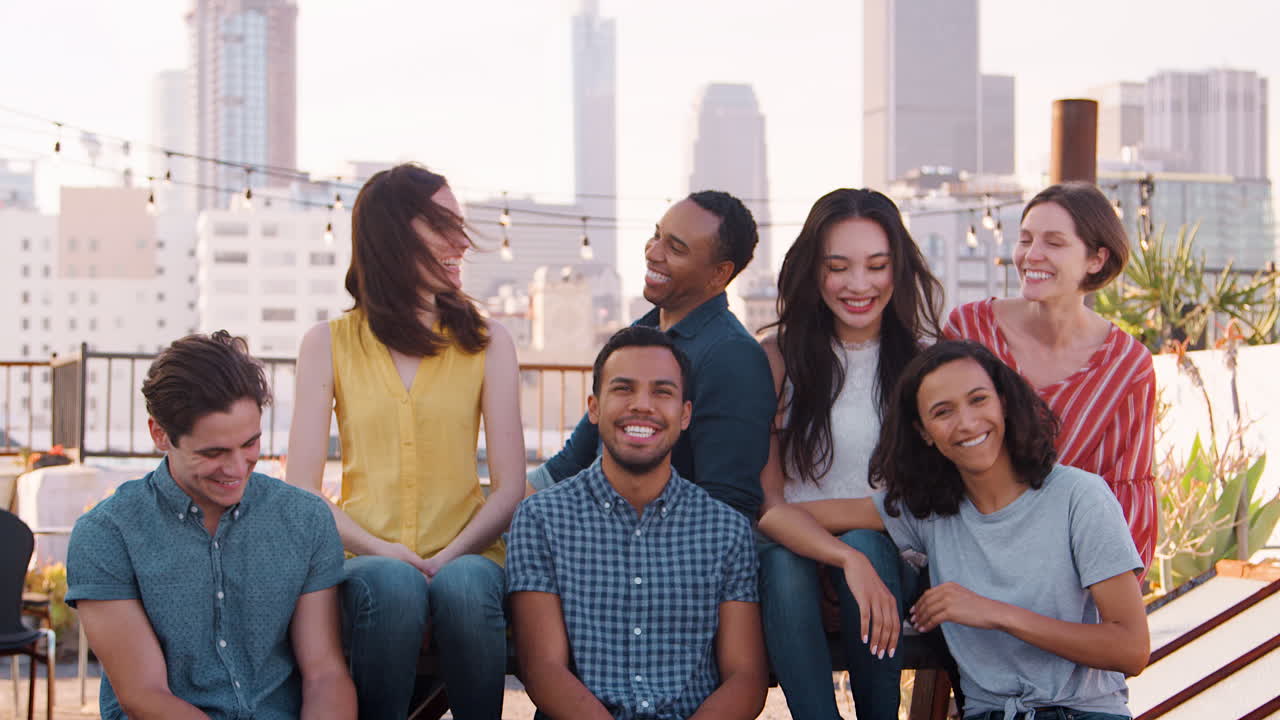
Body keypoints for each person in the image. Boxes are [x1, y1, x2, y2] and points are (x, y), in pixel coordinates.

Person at [286, 163, 525, 719]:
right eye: (442, 225)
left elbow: (510, 486)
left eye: (460, 224)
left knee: (464, 589)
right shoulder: (326, 343)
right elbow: (302, 488)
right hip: (364, 559)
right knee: (393, 585)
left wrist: (448, 555)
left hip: (470, 552)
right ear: (393, 238)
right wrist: (384, 549)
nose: (460, 241)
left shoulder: (491, 342)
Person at [806, 340, 1150, 720]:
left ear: (1003, 401)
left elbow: (1131, 649)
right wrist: (849, 558)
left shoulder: (1078, 497)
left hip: (1080, 712)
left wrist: (994, 613)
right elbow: (779, 517)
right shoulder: (928, 512)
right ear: (923, 432)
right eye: (943, 412)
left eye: (979, 399)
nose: (967, 422)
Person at [66, 331, 355, 720]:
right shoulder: (108, 534)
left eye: (250, 444)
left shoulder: (304, 518)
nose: (237, 469)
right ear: (160, 434)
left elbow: (324, 675)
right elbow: (144, 695)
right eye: (213, 453)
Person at [508, 326, 768, 720]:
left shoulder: (725, 530)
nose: (642, 405)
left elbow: (745, 676)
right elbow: (542, 668)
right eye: (623, 389)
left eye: (662, 392)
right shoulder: (542, 519)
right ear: (594, 408)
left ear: (684, 415)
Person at [755, 188, 945, 718]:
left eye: (877, 266)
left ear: (897, 269)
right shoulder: (776, 358)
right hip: (791, 562)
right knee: (790, 560)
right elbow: (766, 506)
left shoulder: (925, 362)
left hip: (892, 566)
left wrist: (851, 542)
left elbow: (911, 506)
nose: (859, 285)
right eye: (838, 267)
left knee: (868, 540)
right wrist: (840, 551)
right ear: (813, 271)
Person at [944, 182, 1156, 574]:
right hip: (960, 551)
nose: (1031, 255)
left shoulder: (1128, 366)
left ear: (1096, 259)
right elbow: (930, 447)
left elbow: (1123, 493)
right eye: (1026, 239)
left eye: (1054, 243)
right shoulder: (968, 329)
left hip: (1064, 571)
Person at [527, 191, 775, 519]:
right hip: (591, 536)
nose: (653, 252)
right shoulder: (637, 334)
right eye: (657, 235)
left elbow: (728, 506)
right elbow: (568, 464)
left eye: (675, 248)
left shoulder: (732, 357)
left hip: (660, 559)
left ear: (719, 274)